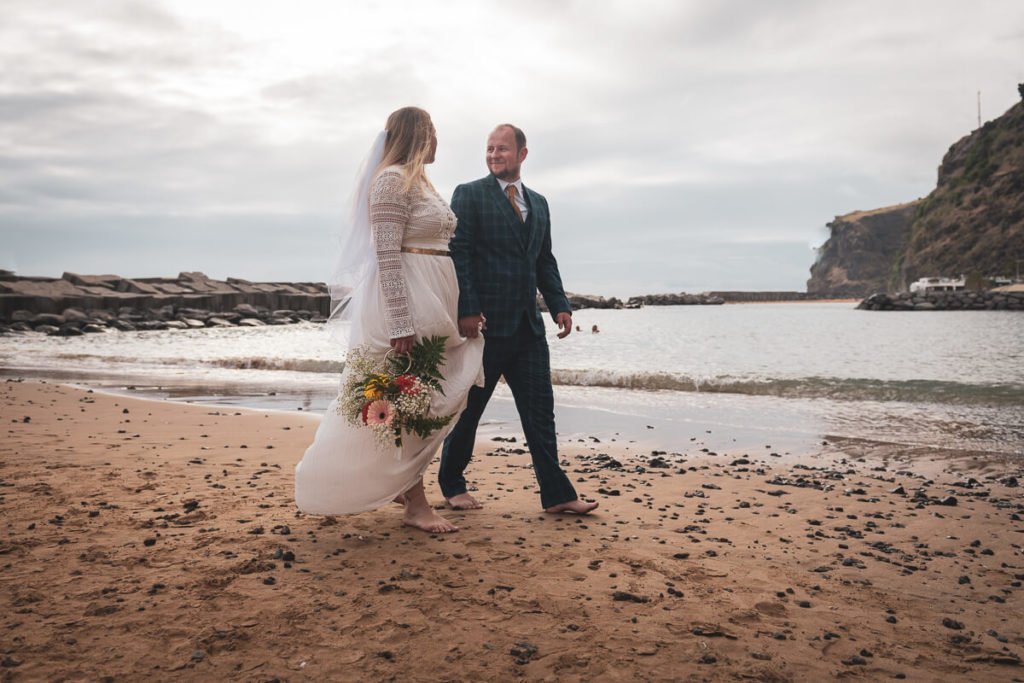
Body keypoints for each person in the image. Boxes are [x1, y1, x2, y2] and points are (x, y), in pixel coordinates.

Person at [295, 107, 484, 533]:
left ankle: (404, 485)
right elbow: (385, 254)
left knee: (432, 397)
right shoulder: (390, 181)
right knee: (405, 404)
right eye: (433, 132)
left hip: (438, 301)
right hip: (409, 305)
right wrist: (401, 322)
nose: (437, 140)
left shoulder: (421, 183)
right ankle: (415, 504)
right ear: (418, 134)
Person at [439, 123, 598, 515]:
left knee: (541, 410)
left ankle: (557, 495)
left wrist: (559, 303)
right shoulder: (469, 194)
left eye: (502, 149)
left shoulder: (540, 203)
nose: (494, 155)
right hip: (485, 326)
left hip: (528, 326)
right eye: (490, 149)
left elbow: (544, 258)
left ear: (522, 154)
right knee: (470, 410)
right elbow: (460, 253)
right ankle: (452, 484)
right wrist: (468, 309)